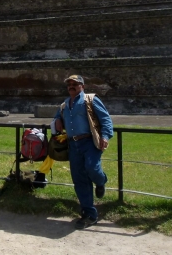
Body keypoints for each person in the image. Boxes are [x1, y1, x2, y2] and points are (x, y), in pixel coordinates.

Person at [54, 74, 113, 229]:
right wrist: (57, 120)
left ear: (82, 86)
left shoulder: (91, 100)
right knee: (79, 179)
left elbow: (106, 119)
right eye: (69, 84)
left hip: (89, 142)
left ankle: (101, 182)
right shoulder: (64, 105)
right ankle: (89, 214)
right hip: (73, 145)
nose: (72, 86)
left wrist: (105, 136)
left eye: (75, 83)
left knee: (93, 168)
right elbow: (56, 118)